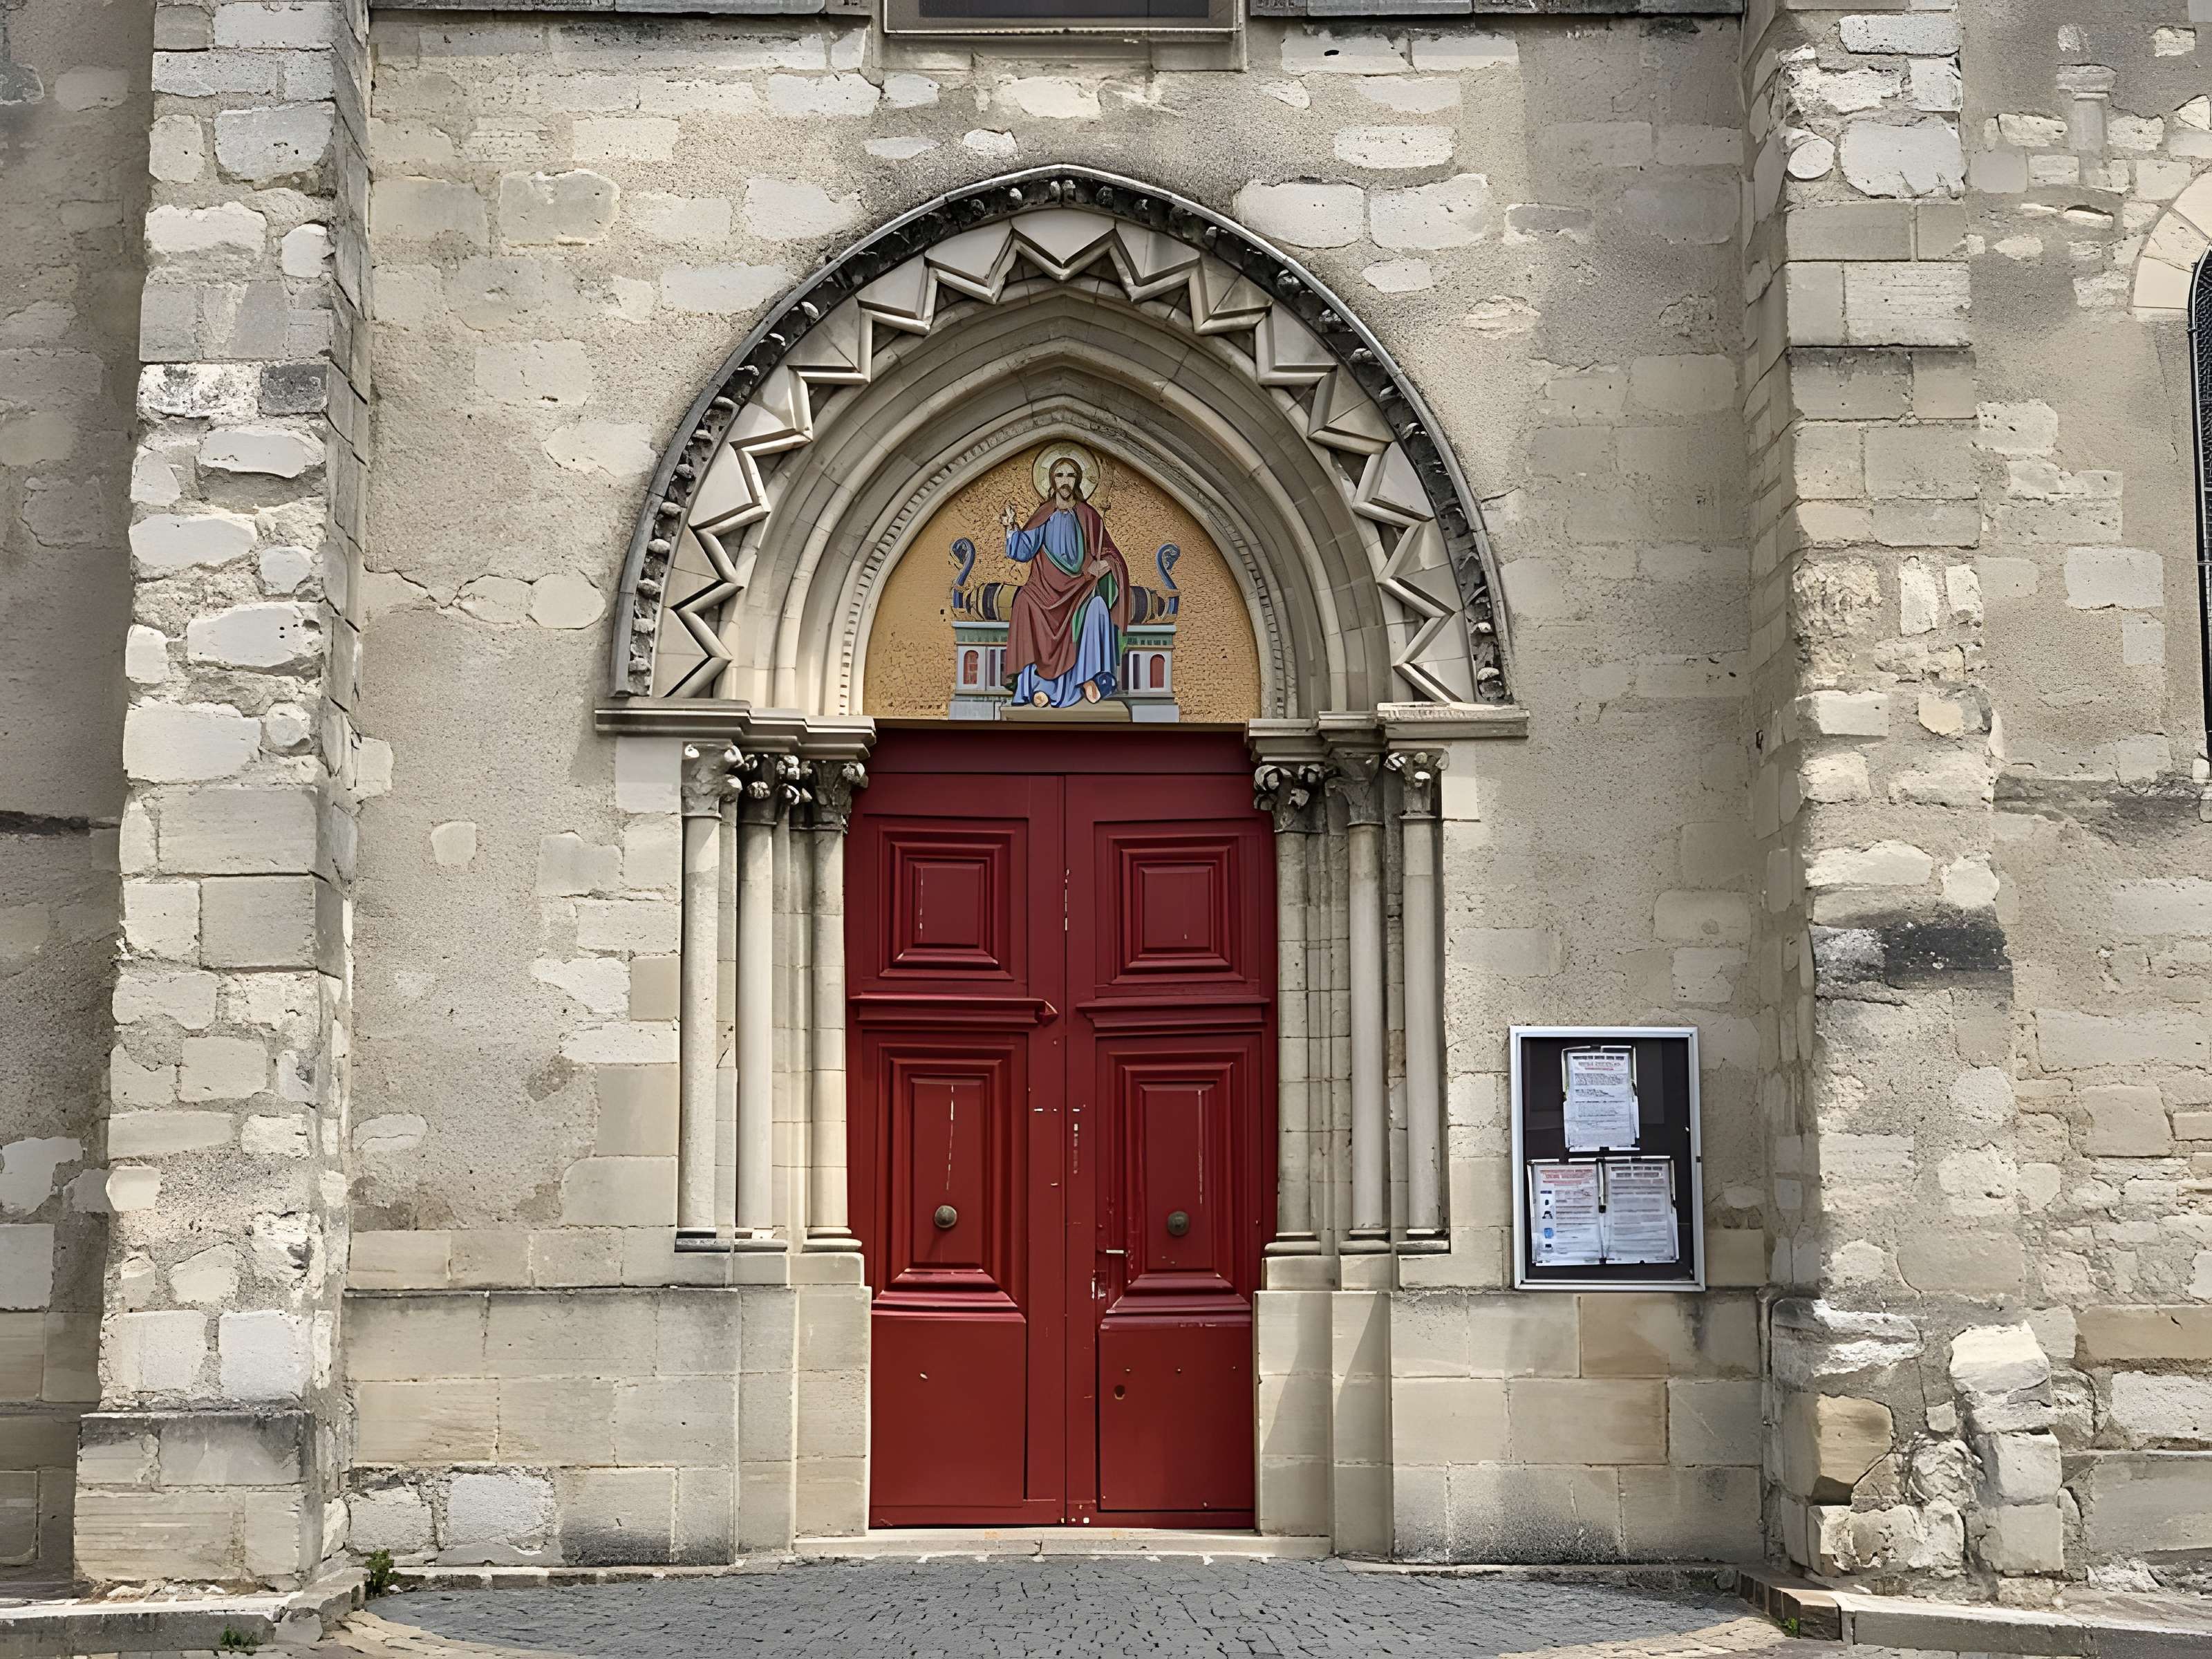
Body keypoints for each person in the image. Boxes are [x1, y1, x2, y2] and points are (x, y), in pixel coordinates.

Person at [1000, 453, 1132, 709]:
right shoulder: (1044, 515)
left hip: (1081, 588)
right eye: (1059, 475)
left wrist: (1101, 566)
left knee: (1097, 609)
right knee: (1024, 601)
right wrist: (1011, 527)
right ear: (1051, 480)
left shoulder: (1089, 516)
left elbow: (1111, 555)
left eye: (1070, 475)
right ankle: (1038, 686)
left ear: (1078, 481)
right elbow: (1023, 550)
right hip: (1044, 590)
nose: (1065, 481)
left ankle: (1089, 679)